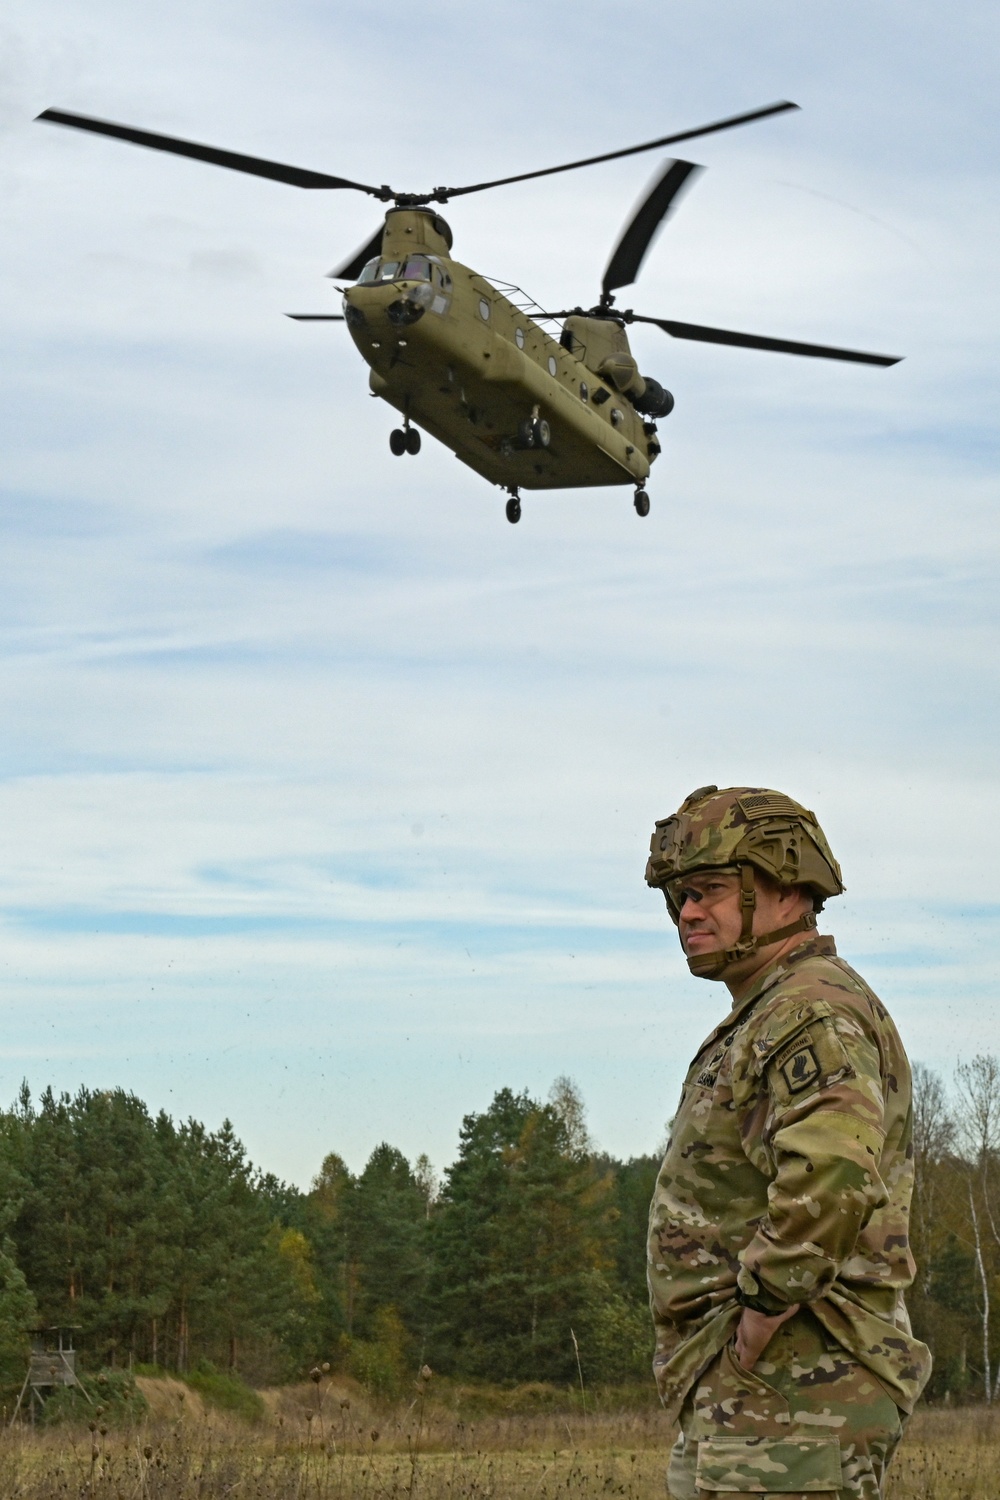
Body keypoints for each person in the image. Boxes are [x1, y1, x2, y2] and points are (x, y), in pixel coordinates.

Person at [644, 785, 930, 1500]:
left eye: (709, 889)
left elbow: (831, 1173)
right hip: (767, 1394)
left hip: (795, 1389)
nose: (687, 913)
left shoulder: (807, 1011)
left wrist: (758, 1317)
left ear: (786, 887)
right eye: (679, 896)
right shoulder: (775, 1007)